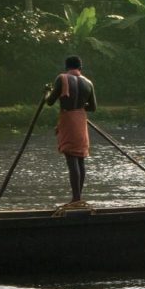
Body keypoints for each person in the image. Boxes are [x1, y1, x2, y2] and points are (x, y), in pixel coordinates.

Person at [46, 55, 97, 203]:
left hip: (68, 119)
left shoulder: (62, 78)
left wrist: (46, 92)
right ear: (80, 68)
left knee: (71, 157)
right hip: (81, 120)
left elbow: (50, 101)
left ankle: (76, 199)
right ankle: (77, 197)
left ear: (66, 67)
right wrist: (81, 106)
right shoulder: (88, 83)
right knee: (80, 158)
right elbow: (93, 107)